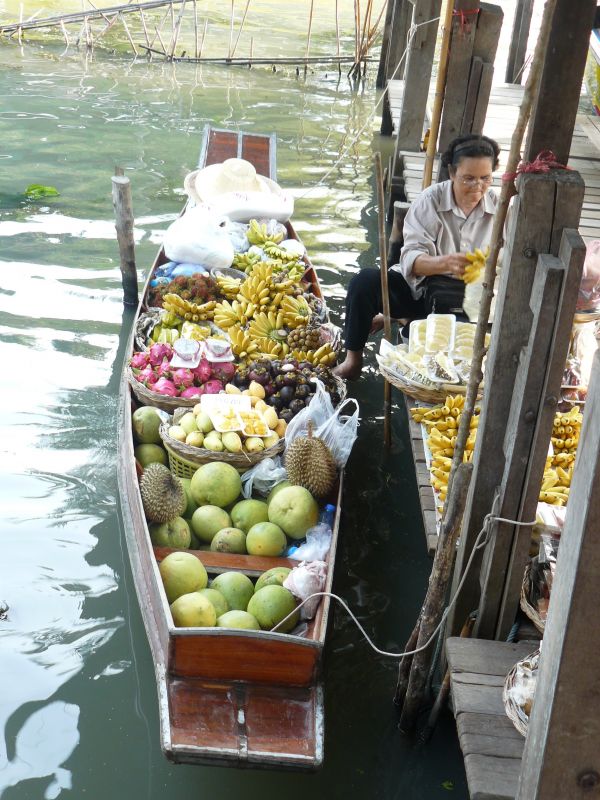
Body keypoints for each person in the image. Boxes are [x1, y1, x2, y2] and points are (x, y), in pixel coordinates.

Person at [334, 134, 500, 380]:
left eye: (485, 178)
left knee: (447, 346)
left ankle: (401, 319)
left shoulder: (501, 209)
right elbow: (411, 259)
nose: (478, 186)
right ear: (452, 173)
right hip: (420, 290)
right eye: (468, 178)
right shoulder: (430, 201)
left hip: (466, 301)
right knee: (364, 283)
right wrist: (445, 263)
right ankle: (352, 361)